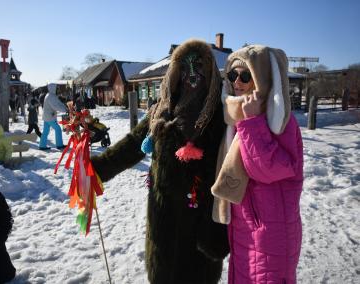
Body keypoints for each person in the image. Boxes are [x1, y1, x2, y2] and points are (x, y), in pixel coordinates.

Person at [91, 40, 229, 283]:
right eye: (185, 67)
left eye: (198, 66)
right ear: (175, 71)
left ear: (209, 72)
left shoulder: (221, 115)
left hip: (201, 224)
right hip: (163, 222)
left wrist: (218, 227)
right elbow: (135, 143)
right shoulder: (161, 111)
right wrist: (98, 169)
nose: (192, 74)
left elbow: (231, 171)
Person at [211, 45, 303, 283]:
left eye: (245, 75)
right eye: (232, 75)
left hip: (270, 231)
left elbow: (268, 169)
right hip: (247, 226)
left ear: (261, 78)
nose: (237, 82)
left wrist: (251, 122)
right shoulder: (237, 115)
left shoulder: (279, 119)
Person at [39, 83, 67, 150]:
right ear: (53, 88)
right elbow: (56, 106)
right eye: (56, 88)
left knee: (45, 131)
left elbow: (58, 103)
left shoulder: (50, 95)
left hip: (47, 116)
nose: (57, 89)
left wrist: (65, 107)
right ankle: (59, 145)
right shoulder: (51, 96)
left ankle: (42, 145)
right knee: (58, 129)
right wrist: (65, 109)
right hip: (50, 117)